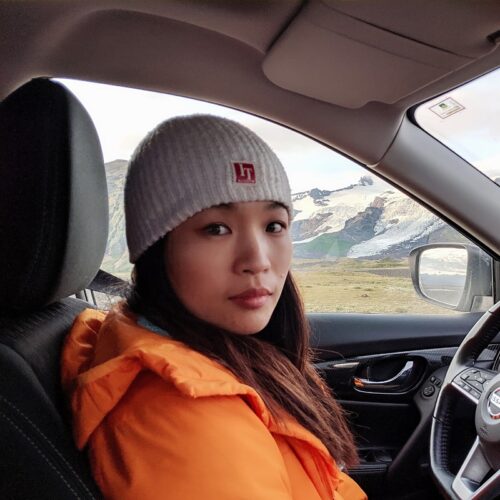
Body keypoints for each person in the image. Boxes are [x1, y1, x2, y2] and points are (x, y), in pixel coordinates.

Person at [61, 114, 367, 500]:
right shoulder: (184, 410)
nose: (257, 259)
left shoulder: (183, 347)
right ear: (156, 247)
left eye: (274, 225)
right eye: (216, 229)